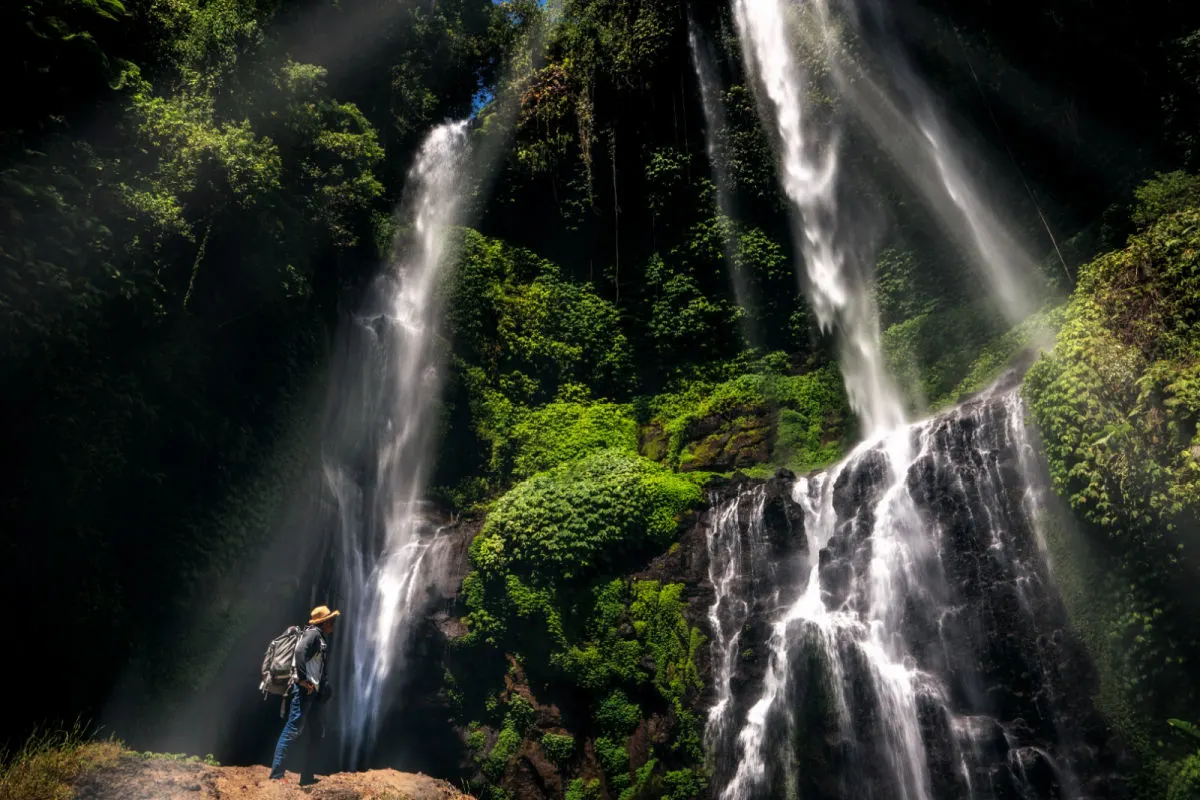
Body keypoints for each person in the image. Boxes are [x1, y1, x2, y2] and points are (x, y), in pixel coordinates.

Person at [269, 605, 340, 785]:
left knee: (317, 732)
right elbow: (300, 651)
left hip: (313, 692)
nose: (333, 624)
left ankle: (307, 777)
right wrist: (301, 680)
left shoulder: (320, 637)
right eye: (331, 620)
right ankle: (277, 774)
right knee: (293, 729)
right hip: (303, 691)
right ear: (323, 622)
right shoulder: (313, 634)